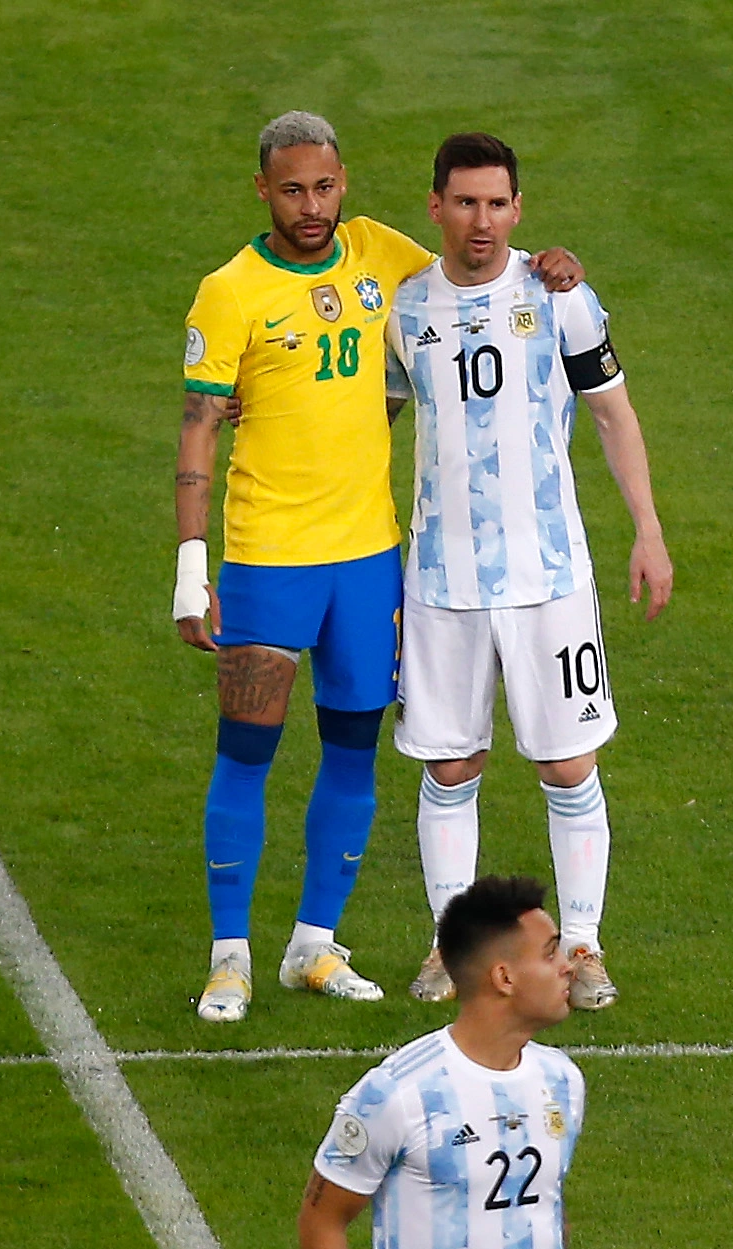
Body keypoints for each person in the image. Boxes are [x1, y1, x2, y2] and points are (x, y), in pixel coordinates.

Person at [173, 112, 584, 1023]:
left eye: (325, 187)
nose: (311, 207)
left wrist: (552, 263)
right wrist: (189, 565)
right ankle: (229, 955)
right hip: (269, 554)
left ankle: (313, 946)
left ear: (344, 181)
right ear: (262, 190)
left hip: (370, 559)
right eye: (292, 189)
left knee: (353, 754)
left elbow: (471, 270)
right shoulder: (229, 290)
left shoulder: (377, 256)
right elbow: (199, 422)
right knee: (247, 753)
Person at [383, 132, 673, 1011]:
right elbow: (362, 423)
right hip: (439, 577)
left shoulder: (562, 300)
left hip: (549, 574)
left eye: (497, 203)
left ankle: (579, 946)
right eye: (465, 202)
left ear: (519, 208)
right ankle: (453, 947)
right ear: (435, 206)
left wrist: (648, 529)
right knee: (451, 765)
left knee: (568, 764)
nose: (482, 221)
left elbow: (614, 418)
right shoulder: (403, 313)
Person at [298, 875, 607, 1249]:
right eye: (551, 953)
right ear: (503, 978)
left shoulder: (561, 1082)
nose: (571, 965)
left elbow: (546, 1205)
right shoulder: (398, 1093)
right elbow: (321, 1220)